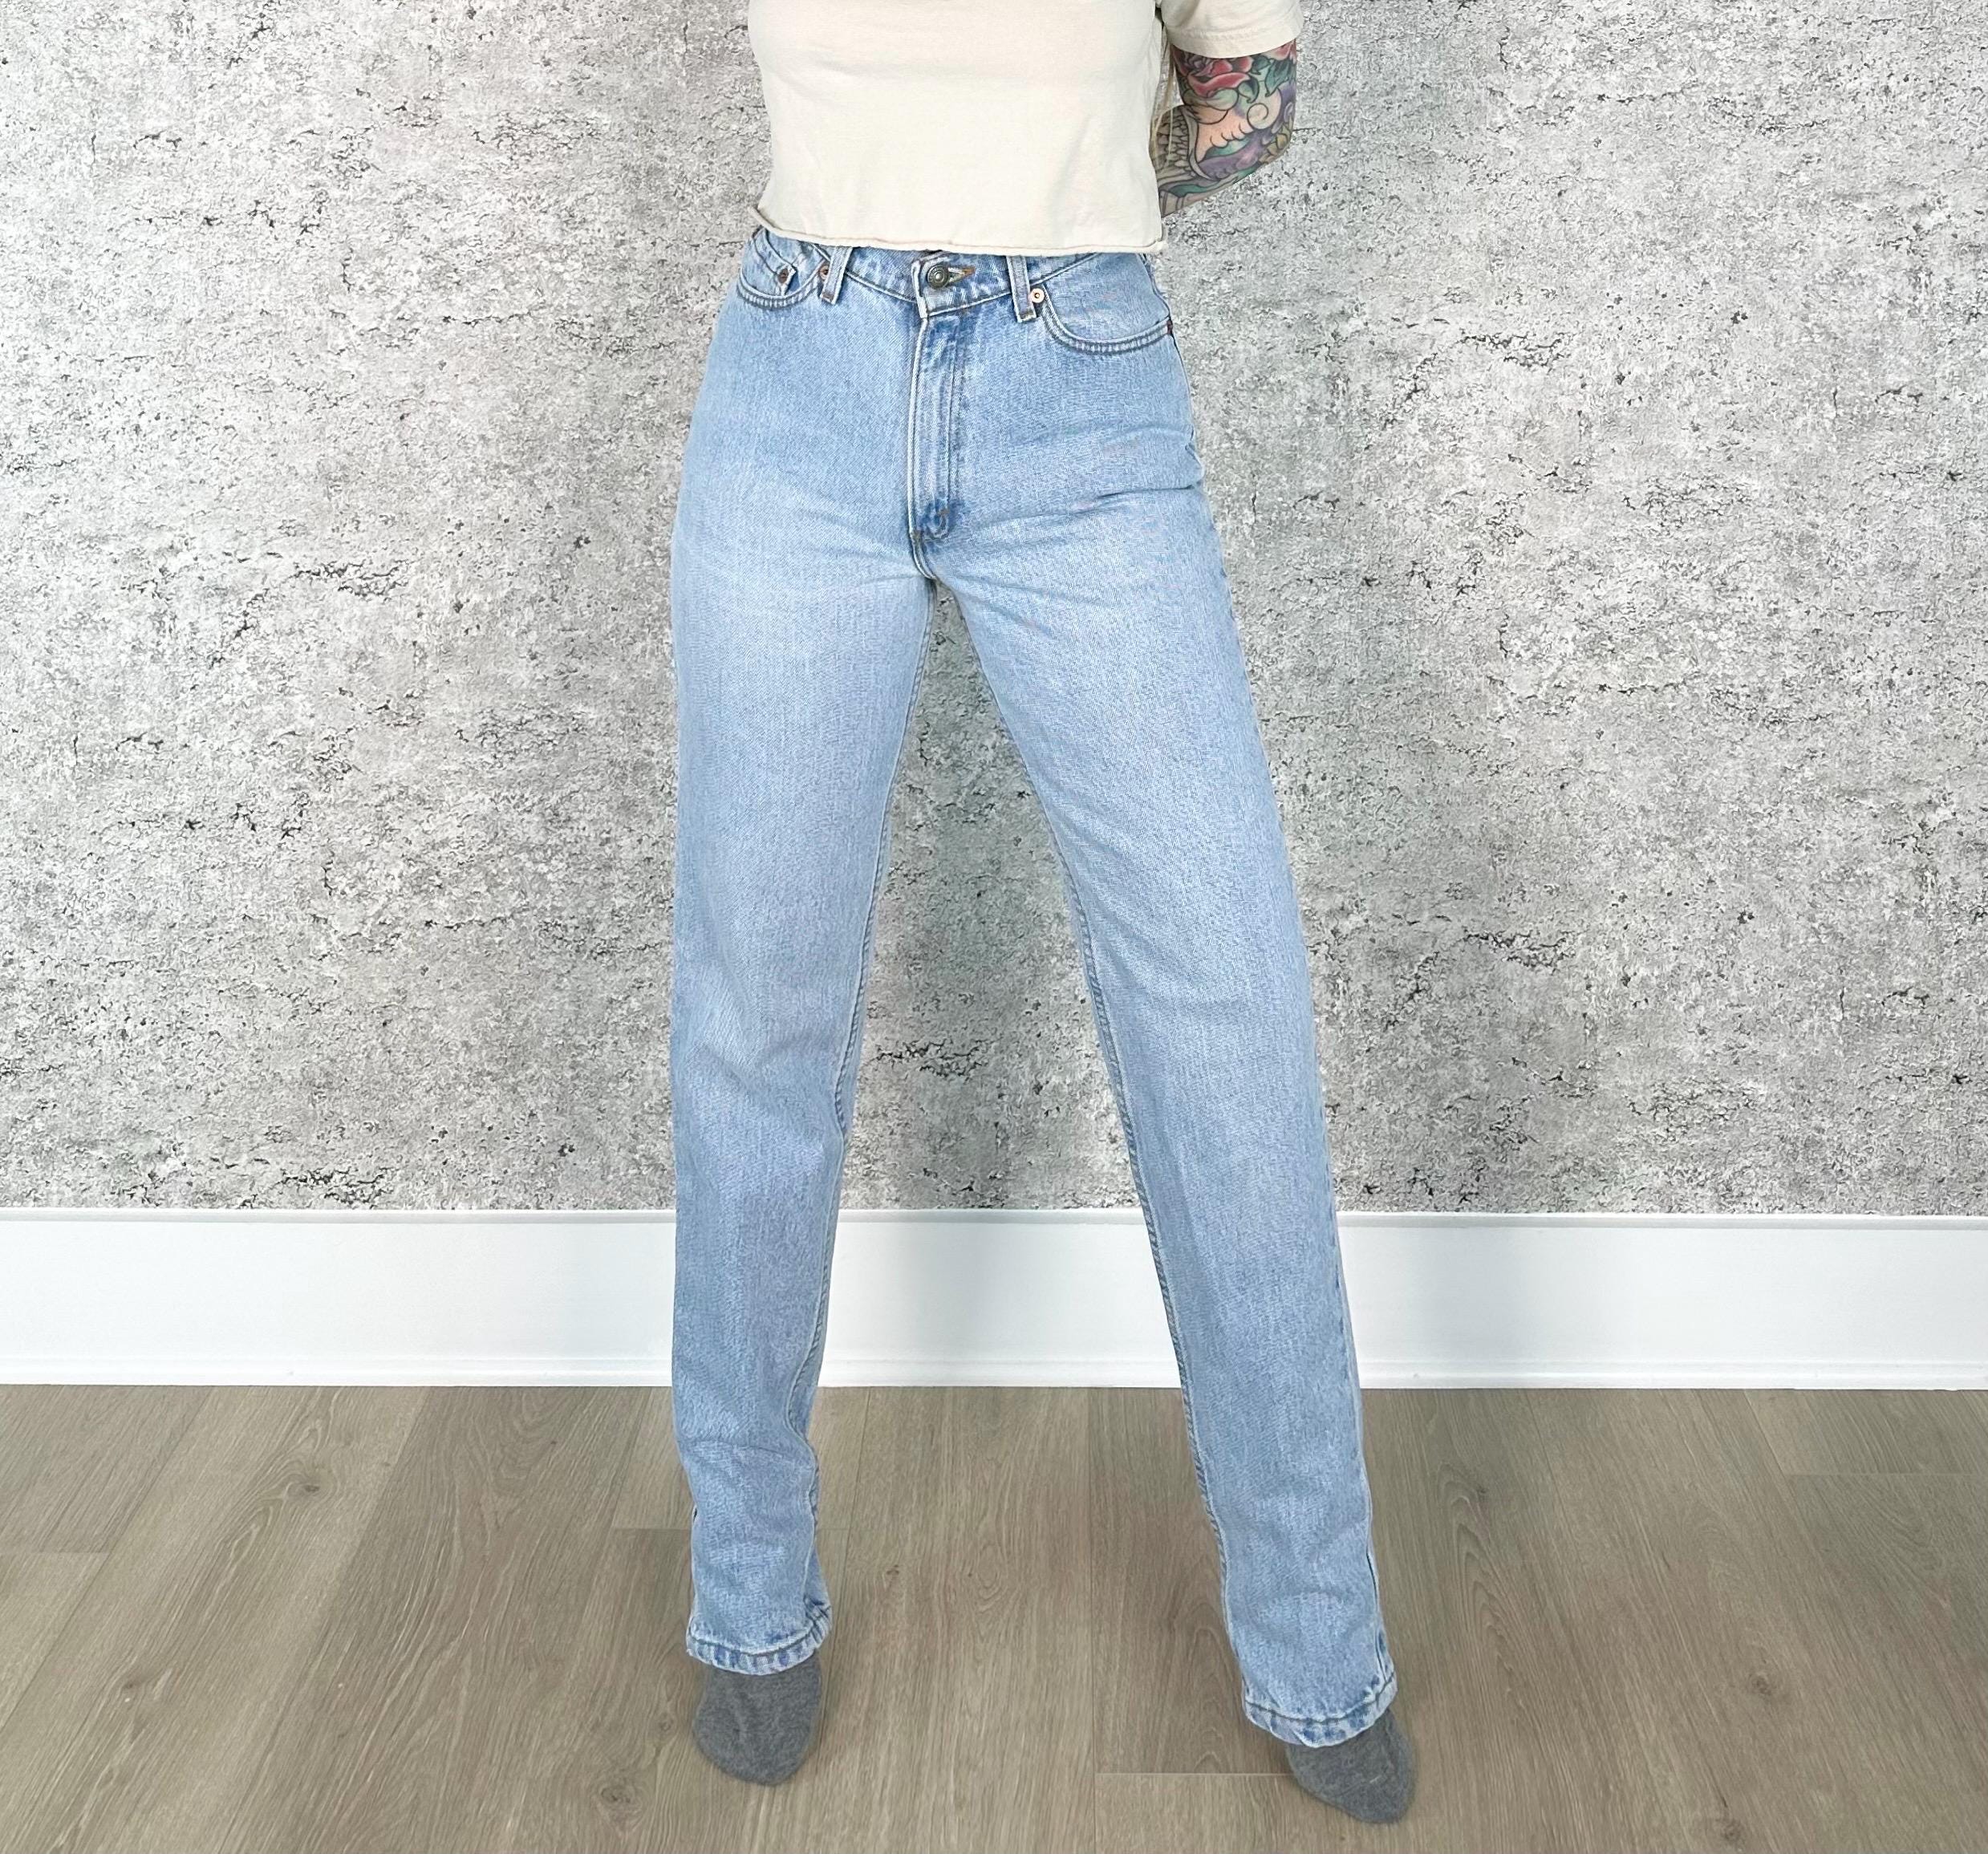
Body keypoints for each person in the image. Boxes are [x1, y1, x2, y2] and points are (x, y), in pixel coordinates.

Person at [667, 0, 1416, 1825]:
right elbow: (1221, 119)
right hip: (796, 369)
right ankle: (747, 1593)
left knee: (1225, 1009)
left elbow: (1250, 100)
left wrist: (1042, 192)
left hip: (1081, 381)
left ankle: (1317, 1640)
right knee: (759, 1014)